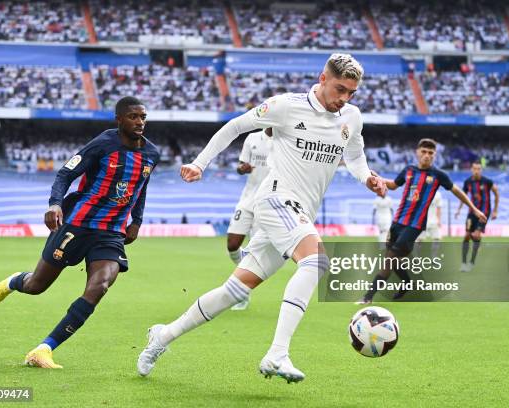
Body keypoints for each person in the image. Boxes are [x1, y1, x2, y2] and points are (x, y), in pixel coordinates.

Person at [137, 54, 386, 383]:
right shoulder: (286, 106)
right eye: (340, 89)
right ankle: (277, 353)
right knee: (316, 262)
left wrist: (367, 177)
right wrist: (200, 163)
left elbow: (354, 157)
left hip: (298, 212)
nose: (344, 98)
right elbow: (235, 126)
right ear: (323, 78)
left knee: (235, 290)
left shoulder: (351, 117)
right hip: (274, 199)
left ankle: (162, 336)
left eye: (351, 93)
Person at [0, 97, 160, 368]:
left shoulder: (152, 153)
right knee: (36, 286)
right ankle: (14, 281)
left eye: (143, 117)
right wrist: (55, 204)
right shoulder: (103, 144)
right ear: (119, 119)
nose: (140, 122)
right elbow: (65, 174)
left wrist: (136, 220)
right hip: (78, 225)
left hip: (111, 232)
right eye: (133, 117)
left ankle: (44, 349)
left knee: (100, 286)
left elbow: (141, 187)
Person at [358, 138, 487, 304]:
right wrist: (380, 178)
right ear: (417, 153)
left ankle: (367, 297)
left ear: (434, 156)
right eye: (424, 152)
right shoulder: (408, 170)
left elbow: (457, 191)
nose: (427, 155)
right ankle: (407, 282)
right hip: (397, 222)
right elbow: (393, 185)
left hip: (415, 226)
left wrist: (474, 209)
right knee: (394, 261)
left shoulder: (438, 175)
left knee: (390, 259)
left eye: (430, 153)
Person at [227, 127, 273, 311]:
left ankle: (242, 293)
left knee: (254, 250)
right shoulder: (253, 138)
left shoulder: (286, 139)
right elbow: (240, 167)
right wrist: (242, 169)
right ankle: (244, 278)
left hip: (268, 202)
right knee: (232, 244)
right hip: (248, 198)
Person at [455, 162, 499, 272]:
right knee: (467, 236)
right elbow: (463, 197)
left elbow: (496, 193)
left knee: (476, 234)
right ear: (471, 169)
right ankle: (464, 263)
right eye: (474, 168)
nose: (476, 171)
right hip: (472, 212)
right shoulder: (468, 182)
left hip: (484, 213)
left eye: (479, 169)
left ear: (481, 170)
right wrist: (459, 210)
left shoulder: (487, 182)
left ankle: (471, 262)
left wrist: (495, 211)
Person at [414, 191, 443, 257]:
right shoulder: (422, 191)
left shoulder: (438, 194)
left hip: (434, 221)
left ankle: (434, 257)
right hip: (422, 221)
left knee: (437, 238)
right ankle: (416, 257)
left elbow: (439, 208)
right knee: (418, 240)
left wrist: (439, 220)